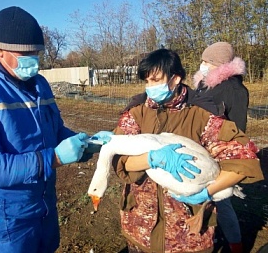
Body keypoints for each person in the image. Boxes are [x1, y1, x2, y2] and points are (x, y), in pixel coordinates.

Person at [0, 6, 111, 253]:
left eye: (37, 52)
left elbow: (55, 131)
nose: (34, 60)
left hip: (41, 211)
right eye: (26, 53)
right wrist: (55, 157)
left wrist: (90, 142)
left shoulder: (39, 84)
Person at [111, 49, 263, 253]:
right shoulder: (136, 112)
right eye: (147, 81)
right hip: (141, 227)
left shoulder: (203, 114)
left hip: (185, 235)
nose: (150, 87)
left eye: (156, 80)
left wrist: (206, 193)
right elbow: (120, 159)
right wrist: (151, 159)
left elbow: (242, 161)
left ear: (175, 79)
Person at [189, 41, 249, 253]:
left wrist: (228, 161)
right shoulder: (204, 85)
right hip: (198, 150)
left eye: (207, 61)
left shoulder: (234, 90)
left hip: (218, 155)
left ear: (219, 63)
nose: (202, 64)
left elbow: (237, 129)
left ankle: (235, 245)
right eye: (202, 60)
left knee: (221, 201)